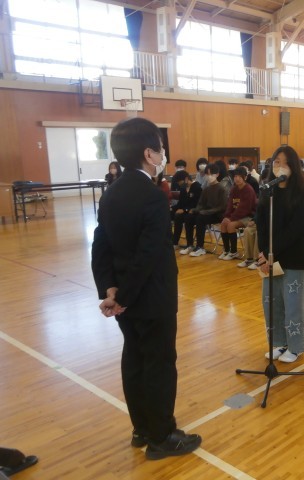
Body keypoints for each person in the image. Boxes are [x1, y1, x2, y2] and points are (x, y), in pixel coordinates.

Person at [91, 117, 201, 460]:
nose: (163, 154)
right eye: (160, 148)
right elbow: (148, 256)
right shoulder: (152, 197)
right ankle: (162, 436)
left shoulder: (111, 193)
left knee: (135, 359)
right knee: (159, 364)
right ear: (149, 154)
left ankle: (141, 427)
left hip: (124, 297)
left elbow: (100, 245)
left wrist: (110, 290)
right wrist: (123, 296)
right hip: (151, 297)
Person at [256, 146, 304, 363]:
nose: (280, 167)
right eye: (276, 162)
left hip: (292, 259)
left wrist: (272, 253)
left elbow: (295, 230)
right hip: (269, 258)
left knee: (293, 306)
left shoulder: (301, 195)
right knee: (272, 304)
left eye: (286, 163)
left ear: (294, 167)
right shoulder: (267, 192)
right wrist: (263, 254)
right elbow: (261, 225)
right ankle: (279, 342)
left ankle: (296, 346)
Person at [180, 164, 231, 257]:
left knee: (200, 218)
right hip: (206, 213)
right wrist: (194, 210)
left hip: (217, 214)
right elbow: (201, 204)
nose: (209, 176)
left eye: (211, 174)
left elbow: (222, 207)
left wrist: (205, 212)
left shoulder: (222, 188)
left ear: (217, 174)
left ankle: (200, 247)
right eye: (207, 174)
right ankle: (190, 244)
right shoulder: (206, 189)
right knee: (189, 217)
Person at [219, 166, 257, 260]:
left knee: (231, 225)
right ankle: (226, 250)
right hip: (236, 216)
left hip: (249, 216)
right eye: (236, 176)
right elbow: (230, 205)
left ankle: (234, 252)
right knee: (223, 223)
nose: (237, 179)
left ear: (245, 177)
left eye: (240, 176)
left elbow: (244, 209)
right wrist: (227, 216)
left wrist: (231, 218)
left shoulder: (248, 189)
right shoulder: (234, 189)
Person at [171, 170, 202, 248]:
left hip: (194, 212)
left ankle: (189, 244)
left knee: (184, 217)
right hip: (184, 211)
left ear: (186, 179)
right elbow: (180, 204)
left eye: (180, 182)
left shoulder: (197, 187)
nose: (179, 184)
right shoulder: (183, 189)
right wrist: (171, 208)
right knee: (171, 214)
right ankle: (174, 242)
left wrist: (185, 210)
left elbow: (196, 204)